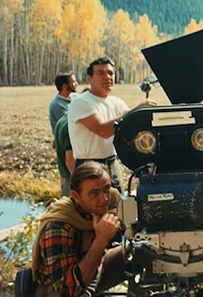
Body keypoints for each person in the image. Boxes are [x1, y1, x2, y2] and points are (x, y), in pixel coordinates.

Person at [31, 162, 126, 297]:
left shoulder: (111, 203)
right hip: (60, 290)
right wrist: (101, 240)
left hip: (96, 269)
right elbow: (67, 291)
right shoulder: (59, 226)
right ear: (76, 196)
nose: (104, 199)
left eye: (106, 189)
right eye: (94, 193)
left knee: (145, 250)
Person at [68, 57, 155, 191]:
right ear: (89, 79)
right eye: (101, 73)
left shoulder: (117, 102)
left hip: (112, 164)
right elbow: (103, 131)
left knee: (118, 207)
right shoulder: (81, 102)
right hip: (89, 167)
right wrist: (136, 111)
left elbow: (131, 130)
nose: (107, 77)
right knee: (90, 210)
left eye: (110, 73)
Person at [53, 113, 75, 196]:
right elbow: (71, 162)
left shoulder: (63, 119)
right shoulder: (72, 125)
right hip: (74, 184)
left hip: (66, 180)